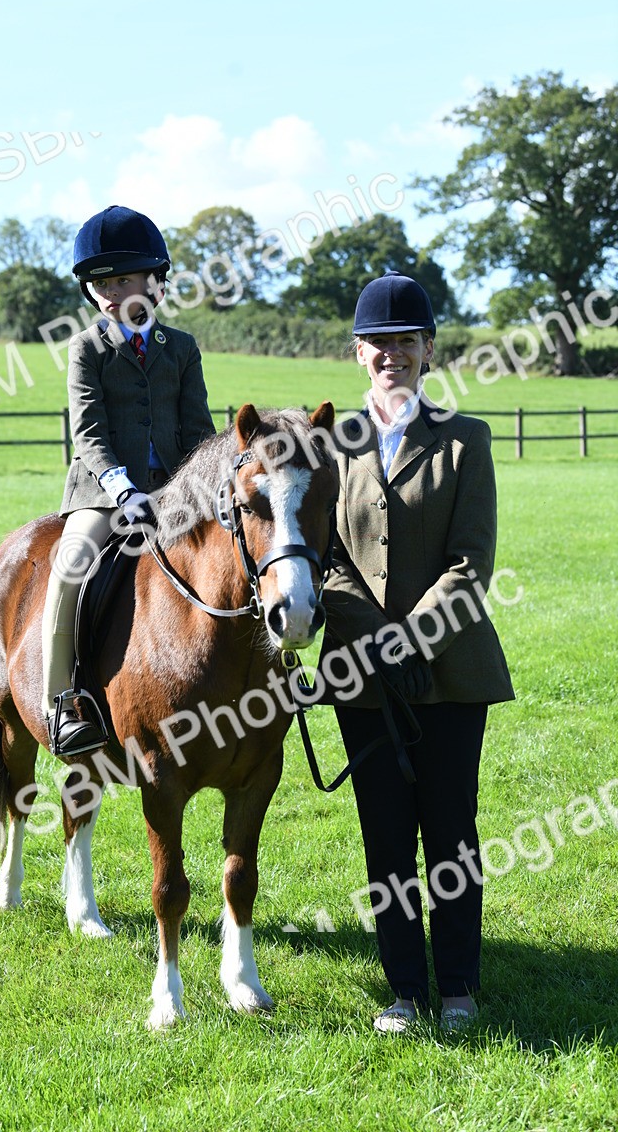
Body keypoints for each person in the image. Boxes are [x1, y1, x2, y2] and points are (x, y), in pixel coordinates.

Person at [320, 270, 514, 1034]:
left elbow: (471, 566)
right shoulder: (331, 447)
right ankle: (402, 988)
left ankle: (459, 984)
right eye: (379, 342)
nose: (392, 353)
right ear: (358, 351)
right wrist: (374, 639)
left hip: (452, 672)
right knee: (385, 833)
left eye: (407, 340)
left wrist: (411, 636)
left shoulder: (465, 440)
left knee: (451, 831)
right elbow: (325, 558)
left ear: (428, 349)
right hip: (363, 676)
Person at [41, 205, 215, 756]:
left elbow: (198, 431)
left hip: (174, 493)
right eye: (101, 285)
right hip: (102, 494)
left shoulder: (181, 349)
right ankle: (63, 702)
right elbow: (88, 431)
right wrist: (122, 489)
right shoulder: (86, 348)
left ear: (155, 282)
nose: (111, 294)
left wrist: (201, 488)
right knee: (69, 569)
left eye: (122, 279)